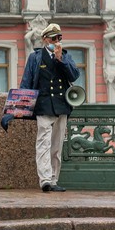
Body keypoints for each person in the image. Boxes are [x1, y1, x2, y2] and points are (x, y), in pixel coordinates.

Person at [19, 22, 81, 193]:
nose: (57, 40)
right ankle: (45, 179)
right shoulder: (35, 57)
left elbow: (74, 75)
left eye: (60, 37)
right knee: (43, 143)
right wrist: (17, 108)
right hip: (43, 105)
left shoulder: (65, 56)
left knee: (56, 145)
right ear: (45, 40)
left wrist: (60, 60)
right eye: (54, 38)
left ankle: (54, 179)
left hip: (61, 105)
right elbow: (26, 81)